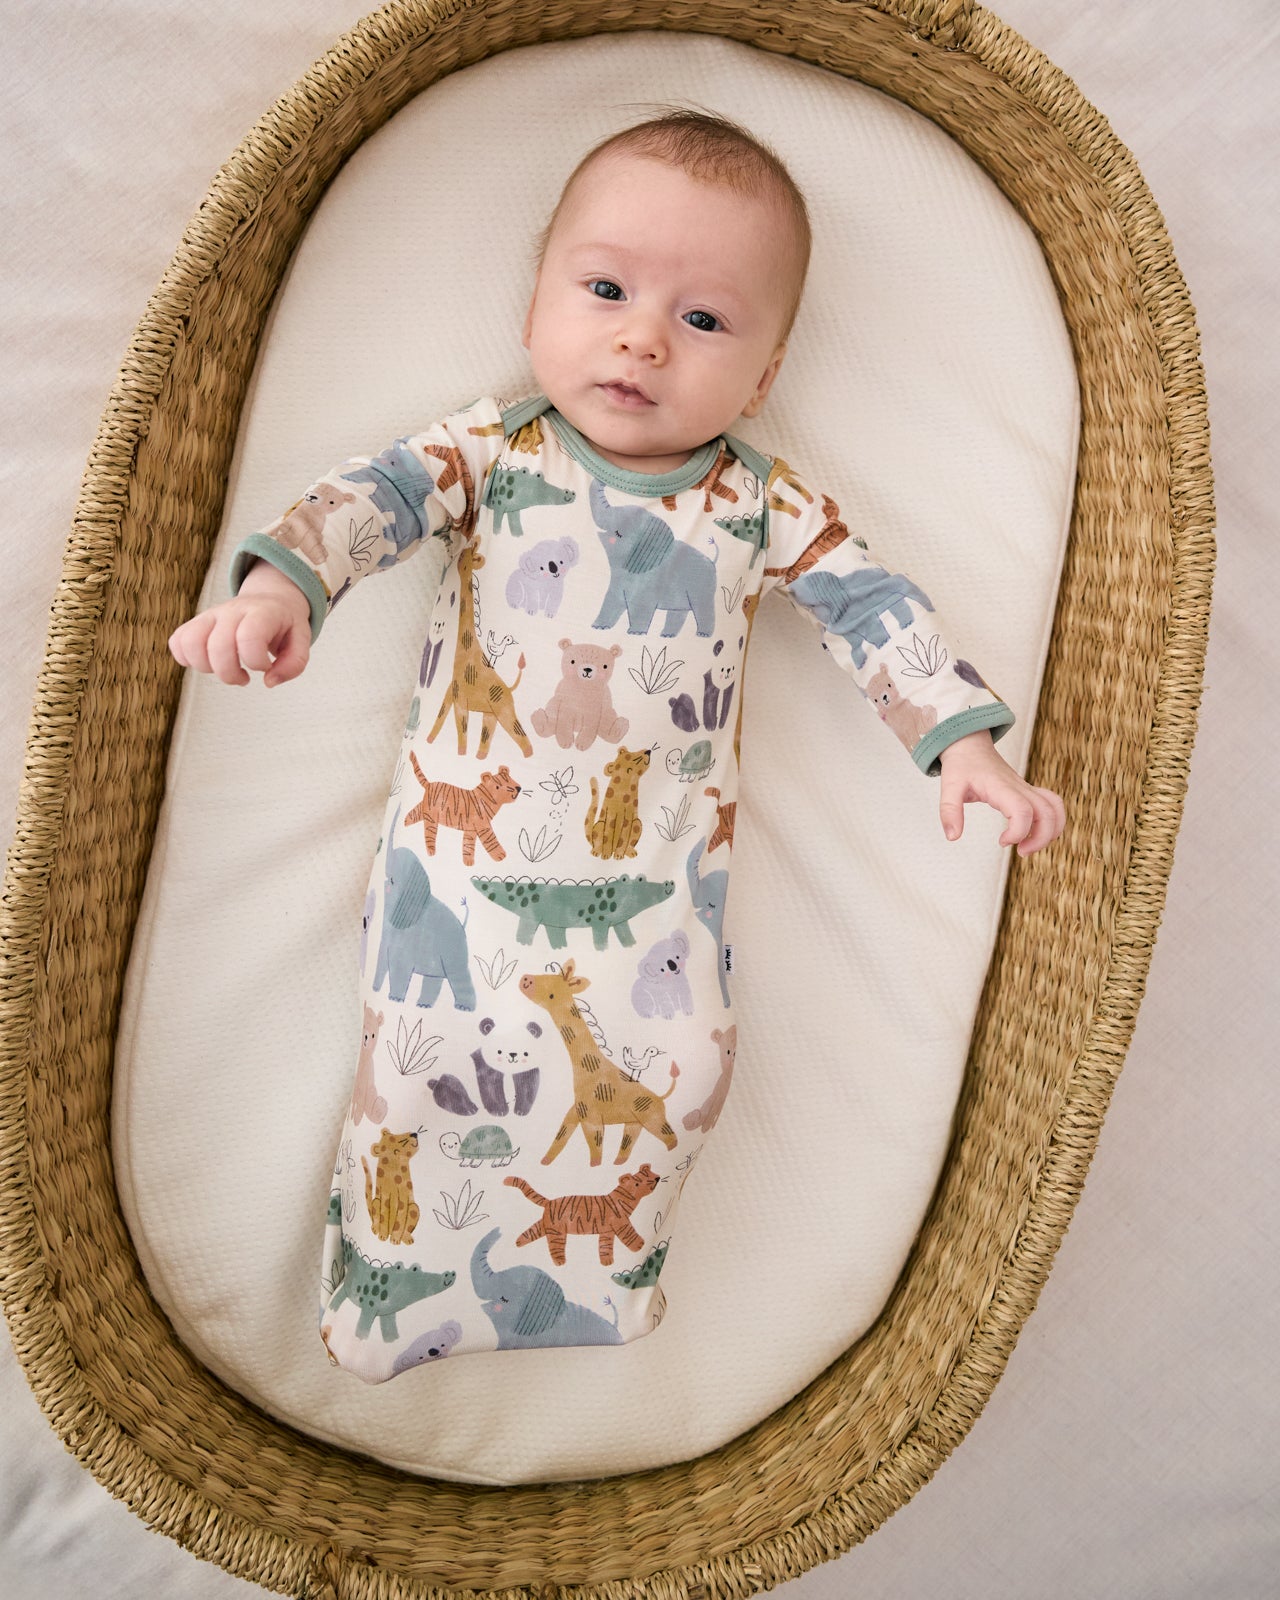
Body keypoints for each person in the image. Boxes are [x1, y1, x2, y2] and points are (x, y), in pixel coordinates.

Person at [169, 110, 1065, 1382]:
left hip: (653, 898)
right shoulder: (491, 451)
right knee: (423, 1080)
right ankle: (384, 1293)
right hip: (463, 887)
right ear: (535, 302)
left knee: (681, 1059)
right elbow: (364, 502)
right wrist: (278, 594)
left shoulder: (755, 503)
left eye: (703, 321)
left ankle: (603, 1283)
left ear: (759, 379)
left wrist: (960, 749)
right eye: (604, 290)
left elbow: (872, 608)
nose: (643, 337)